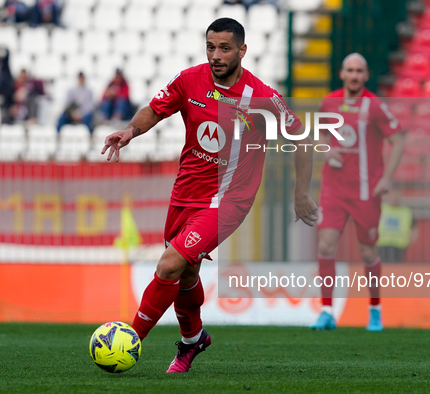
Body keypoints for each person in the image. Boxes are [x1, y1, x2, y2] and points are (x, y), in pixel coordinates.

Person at [102, 18, 318, 373]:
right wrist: (130, 131)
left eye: (225, 48)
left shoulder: (261, 98)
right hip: (185, 194)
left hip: (228, 201)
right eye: (210, 47)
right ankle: (193, 340)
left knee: (170, 264)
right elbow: (155, 109)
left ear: (242, 51)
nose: (216, 55)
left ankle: (127, 341)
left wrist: (301, 194)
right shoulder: (189, 80)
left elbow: (303, 138)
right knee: (186, 274)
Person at [310, 53, 404, 332]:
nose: (354, 75)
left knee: (367, 251)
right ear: (342, 73)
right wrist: (328, 150)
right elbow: (321, 135)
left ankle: (375, 309)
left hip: (366, 192)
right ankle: (327, 311)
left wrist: (387, 178)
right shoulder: (329, 101)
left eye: (359, 71)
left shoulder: (374, 106)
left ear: (365, 76)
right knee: (326, 246)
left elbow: (398, 140)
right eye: (349, 70)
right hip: (334, 190)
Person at [377, 188, 418, 263]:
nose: (394, 198)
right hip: (382, 245)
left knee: (396, 270)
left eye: (397, 195)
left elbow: (414, 229)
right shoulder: (380, 209)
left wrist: (410, 242)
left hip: (399, 247)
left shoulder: (407, 211)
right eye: (392, 195)